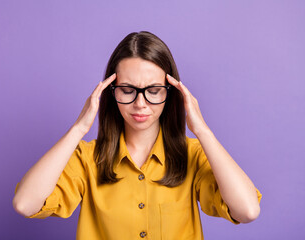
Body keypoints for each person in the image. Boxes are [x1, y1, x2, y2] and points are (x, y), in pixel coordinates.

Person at [13, 31, 262, 240]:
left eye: (153, 90)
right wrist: (79, 128)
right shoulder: (88, 158)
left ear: (171, 92)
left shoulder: (192, 155)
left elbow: (248, 211)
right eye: (128, 90)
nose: (140, 103)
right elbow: (25, 204)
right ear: (111, 91)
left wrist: (202, 130)